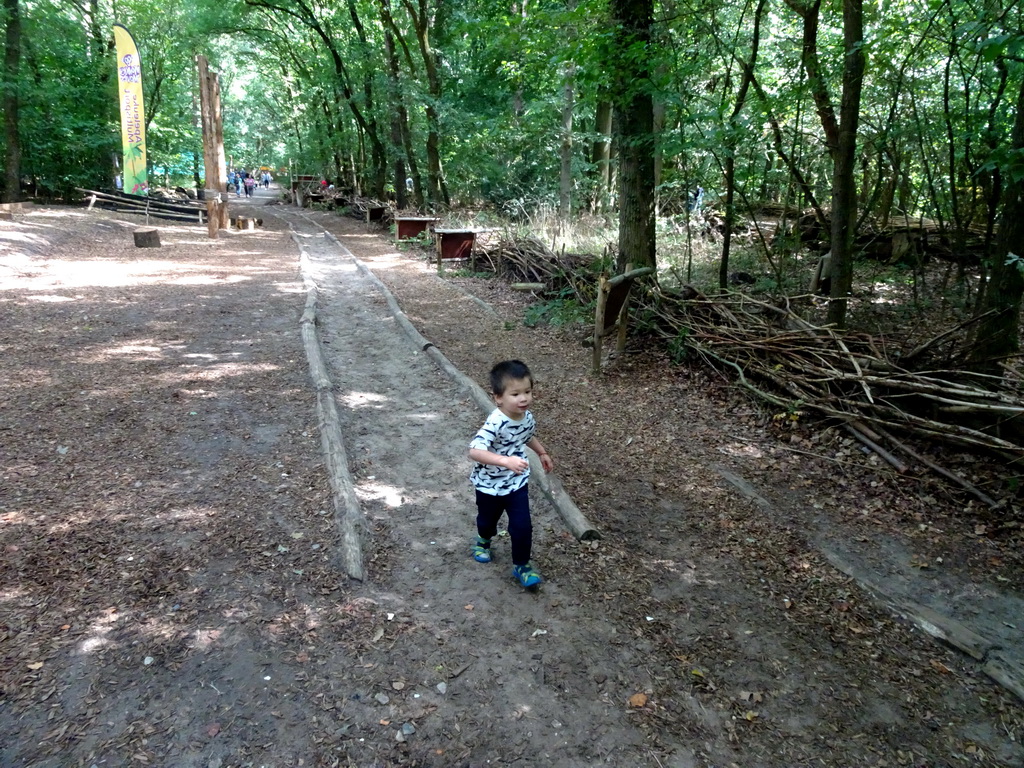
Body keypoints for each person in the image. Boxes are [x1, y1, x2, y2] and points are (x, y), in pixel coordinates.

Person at [468, 360, 553, 588]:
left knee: (522, 525)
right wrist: (504, 460)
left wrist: (542, 452)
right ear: (498, 397)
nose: (523, 398)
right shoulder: (495, 422)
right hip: (489, 485)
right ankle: (483, 540)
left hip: (516, 483)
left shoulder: (527, 418)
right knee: (487, 521)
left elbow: (527, 436)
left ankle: (522, 566)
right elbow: (474, 451)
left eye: (527, 392)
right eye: (515, 394)